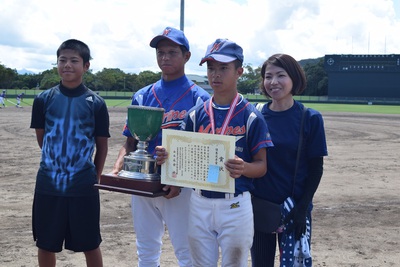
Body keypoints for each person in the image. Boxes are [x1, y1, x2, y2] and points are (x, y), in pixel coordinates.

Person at [155, 38, 273, 267]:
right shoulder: (195, 114)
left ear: (239, 71)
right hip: (199, 202)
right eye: (210, 68)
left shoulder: (250, 116)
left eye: (223, 68)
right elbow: (178, 155)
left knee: (235, 263)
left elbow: (262, 166)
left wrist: (245, 168)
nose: (215, 74)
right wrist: (166, 157)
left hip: (236, 205)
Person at [111, 26, 210, 267]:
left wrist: (181, 181)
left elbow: (204, 149)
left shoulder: (200, 98)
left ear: (186, 56)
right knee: (146, 249)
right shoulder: (143, 95)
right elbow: (131, 142)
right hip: (143, 181)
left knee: (186, 251)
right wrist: (118, 169)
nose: (164, 57)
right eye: (160, 52)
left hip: (180, 187)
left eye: (172, 52)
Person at [30, 39, 110, 267]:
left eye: (74, 60)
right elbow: (42, 138)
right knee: (45, 243)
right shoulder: (43, 99)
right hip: (48, 184)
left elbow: (101, 145)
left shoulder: (96, 103)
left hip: (83, 185)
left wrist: (95, 176)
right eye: (62, 60)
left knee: (90, 243)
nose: (67, 65)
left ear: (86, 66)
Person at [250, 54, 328, 267]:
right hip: (261, 207)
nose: (273, 82)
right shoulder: (254, 116)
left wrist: (303, 208)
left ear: (294, 78)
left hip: (294, 209)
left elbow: (316, 168)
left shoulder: (310, 118)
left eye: (280, 75)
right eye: (268, 76)